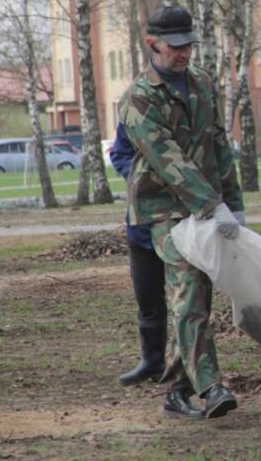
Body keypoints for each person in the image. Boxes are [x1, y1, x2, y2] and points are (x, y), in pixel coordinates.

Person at [119, 5, 246, 420]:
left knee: (198, 295)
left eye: (189, 45)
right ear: (151, 43)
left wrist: (235, 204)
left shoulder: (203, 83)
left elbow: (219, 144)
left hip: (206, 206)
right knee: (189, 284)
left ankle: (177, 389)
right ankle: (210, 387)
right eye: (175, 47)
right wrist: (213, 205)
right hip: (161, 210)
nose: (184, 53)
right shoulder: (140, 97)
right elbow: (167, 158)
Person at [111, 122, 167, 387]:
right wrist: (139, 177)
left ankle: (186, 366)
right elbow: (119, 153)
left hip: (180, 222)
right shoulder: (133, 110)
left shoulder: (185, 100)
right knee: (147, 298)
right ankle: (152, 361)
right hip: (141, 224)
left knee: (187, 303)